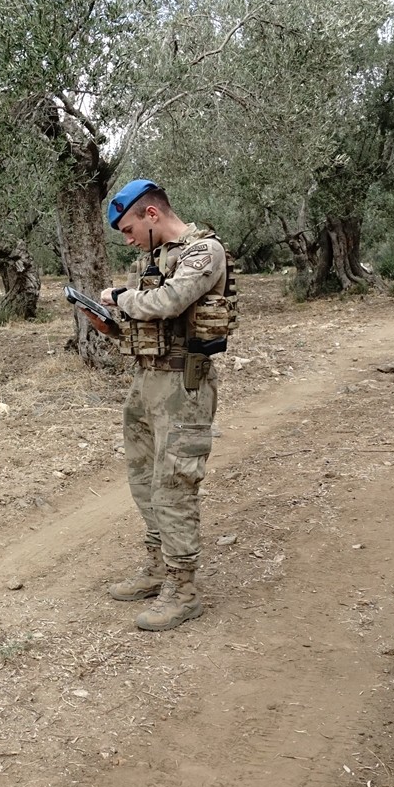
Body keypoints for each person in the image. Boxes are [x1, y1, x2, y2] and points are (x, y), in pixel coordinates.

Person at [99, 179, 237, 631]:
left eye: (129, 228)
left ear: (152, 214)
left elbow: (170, 300)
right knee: (143, 477)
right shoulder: (151, 260)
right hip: (147, 380)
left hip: (184, 385)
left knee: (175, 482)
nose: (128, 239)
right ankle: (157, 565)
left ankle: (184, 587)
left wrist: (122, 298)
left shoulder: (204, 251)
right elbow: (145, 320)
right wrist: (107, 319)